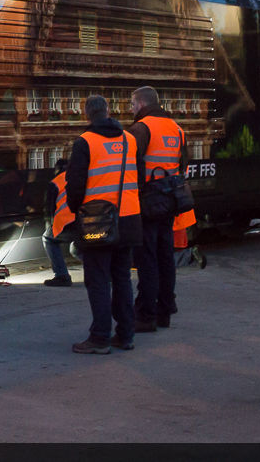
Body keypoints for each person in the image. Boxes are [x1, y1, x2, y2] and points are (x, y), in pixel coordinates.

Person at [65, 95, 144, 354]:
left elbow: (75, 186)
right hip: (130, 220)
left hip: (97, 221)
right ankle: (126, 335)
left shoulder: (84, 142)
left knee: (98, 279)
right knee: (122, 277)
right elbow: (140, 179)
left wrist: (79, 211)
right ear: (108, 112)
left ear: (86, 114)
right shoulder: (129, 140)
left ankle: (100, 337)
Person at [127, 85, 189, 331]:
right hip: (170, 199)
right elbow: (183, 163)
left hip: (147, 201)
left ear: (141, 104)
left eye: (132, 104)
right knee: (166, 256)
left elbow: (130, 165)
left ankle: (145, 315)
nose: (131, 109)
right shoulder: (176, 128)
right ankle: (165, 312)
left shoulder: (141, 128)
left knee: (147, 259)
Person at [42, 159, 73, 286]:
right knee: (77, 249)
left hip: (67, 223)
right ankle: (104, 273)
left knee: (47, 238)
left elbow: (48, 208)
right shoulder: (82, 177)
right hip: (86, 222)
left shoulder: (55, 182)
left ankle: (61, 275)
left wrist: (49, 225)